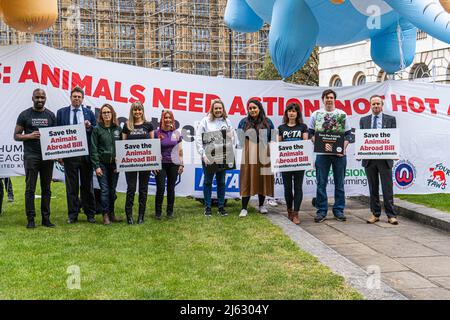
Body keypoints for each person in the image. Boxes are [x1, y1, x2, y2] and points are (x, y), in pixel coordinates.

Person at [14, 89, 57, 228]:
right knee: (30, 189)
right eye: (37, 97)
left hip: (47, 157)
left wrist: (57, 154)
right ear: (32, 98)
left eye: (42, 97)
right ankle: (31, 219)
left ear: (45, 98)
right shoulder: (24, 114)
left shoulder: (51, 115)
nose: (40, 100)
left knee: (47, 189)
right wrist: (29, 136)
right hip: (31, 156)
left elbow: (55, 137)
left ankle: (46, 219)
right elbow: (16, 135)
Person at [308, 89, 352, 223]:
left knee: (340, 184)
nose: (329, 100)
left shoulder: (342, 114)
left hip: (339, 154)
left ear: (335, 99)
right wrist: (320, 144)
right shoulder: (316, 114)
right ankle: (321, 211)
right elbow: (310, 133)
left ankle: (338, 210)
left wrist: (342, 149)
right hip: (322, 154)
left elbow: (348, 135)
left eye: (331, 97)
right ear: (323, 99)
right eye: (327, 97)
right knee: (321, 183)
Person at [56, 87, 97, 224]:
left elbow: (95, 132)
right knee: (71, 187)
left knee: (87, 186)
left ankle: (90, 213)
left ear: (82, 99)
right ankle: (73, 214)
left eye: (79, 97)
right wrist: (59, 154)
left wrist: (89, 126)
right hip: (69, 156)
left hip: (86, 156)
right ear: (71, 97)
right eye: (75, 96)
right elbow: (57, 134)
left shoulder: (89, 113)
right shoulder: (61, 113)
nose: (77, 99)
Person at [360, 95, 399, 225]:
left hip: (385, 159)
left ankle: (391, 215)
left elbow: (393, 138)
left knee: (387, 187)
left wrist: (394, 151)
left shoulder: (391, 119)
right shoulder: (363, 120)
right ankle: (375, 214)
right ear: (370, 105)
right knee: (373, 188)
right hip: (370, 159)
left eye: (378, 104)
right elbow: (362, 138)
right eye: (373, 104)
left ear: (382, 105)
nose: (376, 106)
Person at [195, 99, 234, 217]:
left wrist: (231, 138)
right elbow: (198, 138)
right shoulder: (205, 121)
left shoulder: (227, 121)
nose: (218, 110)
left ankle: (221, 207)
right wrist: (203, 154)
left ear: (223, 109)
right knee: (207, 182)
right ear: (212, 109)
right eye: (215, 108)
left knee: (221, 182)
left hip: (222, 155)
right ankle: (207, 208)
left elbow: (231, 138)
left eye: (220, 108)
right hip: (209, 156)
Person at [237, 99, 275, 217]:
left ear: (259, 108)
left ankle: (261, 205)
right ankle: (244, 208)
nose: (252, 110)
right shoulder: (243, 122)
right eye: (250, 108)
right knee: (247, 177)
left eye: (254, 108)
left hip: (264, 152)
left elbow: (273, 137)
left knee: (262, 178)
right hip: (249, 153)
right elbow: (240, 138)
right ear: (248, 110)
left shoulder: (268, 122)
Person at [122, 101, 154, 224]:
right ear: (132, 111)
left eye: (139, 109)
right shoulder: (127, 126)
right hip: (130, 162)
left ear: (142, 111)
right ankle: (129, 216)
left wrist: (155, 159)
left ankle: (141, 216)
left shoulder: (148, 125)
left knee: (143, 189)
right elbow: (123, 145)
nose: (137, 112)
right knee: (131, 188)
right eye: (135, 110)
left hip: (145, 163)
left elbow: (152, 144)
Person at [90, 104, 122, 225]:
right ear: (101, 115)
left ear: (112, 113)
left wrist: (120, 164)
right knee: (104, 190)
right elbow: (93, 149)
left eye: (108, 112)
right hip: (102, 164)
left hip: (115, 165)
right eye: (104, 112)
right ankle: (105, 215)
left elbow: (122, 148)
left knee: (112, 190)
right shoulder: (97, 129)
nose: (107, 114)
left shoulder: (118, 129)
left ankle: (112, 214)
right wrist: (96, 166)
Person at [278, 103, 309, 225]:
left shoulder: (303, 127)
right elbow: (278, 144)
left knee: (298, 187)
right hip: (286, 162)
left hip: (299, 162)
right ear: (286, 113)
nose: (291, 113)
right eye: (289, 111)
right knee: (287, 188)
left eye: (294, 111)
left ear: (297, 114)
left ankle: (296, 213)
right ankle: (289, 210)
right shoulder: (281, 128)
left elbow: (305, 142)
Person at [154, 110, 184, 219]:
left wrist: (182, 164)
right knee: (161, 188)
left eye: (169, 118)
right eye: (165, 117)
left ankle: (170, 211)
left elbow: (180, 150)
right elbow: (152, 149)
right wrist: (154, 163)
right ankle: (158, 212)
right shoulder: (157, 133)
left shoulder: (176, 133)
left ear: (172, 119)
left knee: (171, 188)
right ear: (162, 119)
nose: (167, 120)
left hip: (174, 164)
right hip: (160, 164)